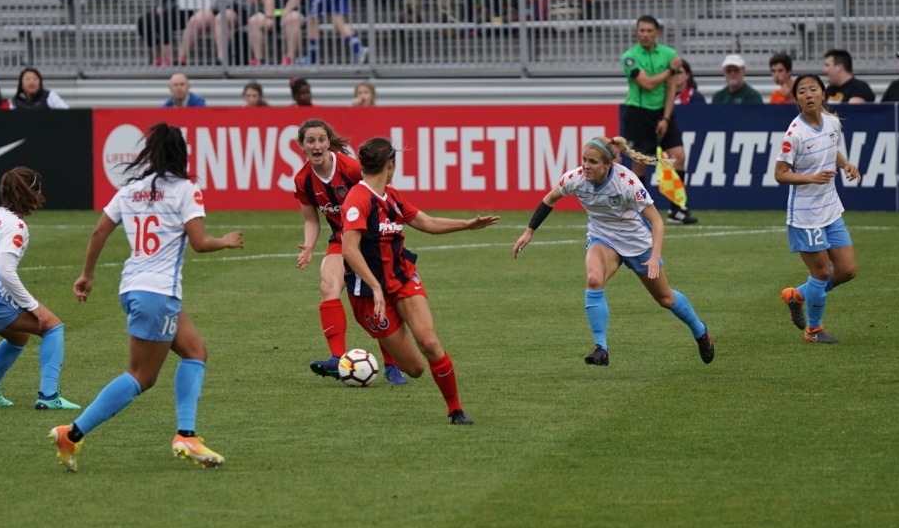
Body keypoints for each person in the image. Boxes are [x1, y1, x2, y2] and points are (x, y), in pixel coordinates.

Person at [52, 123, 244, 472]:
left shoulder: (130, 189)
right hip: (158, 292)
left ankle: (186, 434)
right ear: (181, 154)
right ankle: (72, 433)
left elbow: (99, 232)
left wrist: (88, 275)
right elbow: (199, 243)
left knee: (195, 351)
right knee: (141, 376)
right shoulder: (186, 189)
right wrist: (225, 240)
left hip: (133, 286)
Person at [512, 135, 714, 367]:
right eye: (584, 160)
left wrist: (655, 256)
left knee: (665, 298)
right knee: (594, 279)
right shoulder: (574, 178)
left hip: (638, 243)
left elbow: (657, 222)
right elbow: (549, 199)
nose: (586, 166)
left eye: (593, 162)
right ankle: (601, 349)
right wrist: (529, 232)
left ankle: (700, 330)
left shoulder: (626, 182)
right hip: (603, 239)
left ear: (609, 164)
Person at [341, 136, 499, 423]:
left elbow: (425, 222)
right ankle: (391, 333)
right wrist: (376, 287)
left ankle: (456, 410)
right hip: (368, 295)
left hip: (402, 278)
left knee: (429, 342)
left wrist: (467, 225)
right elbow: (349, 249)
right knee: (415, 368)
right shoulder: (358, 198)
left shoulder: (392, 196)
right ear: (391, 164)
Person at [0, 166, 80, 409]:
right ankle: (49, 397)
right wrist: (34, 307)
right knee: (52, 326)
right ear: (32, 194)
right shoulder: (16, 226)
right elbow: (5, 272)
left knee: (19, 337)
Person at [293, 119, 406, 383]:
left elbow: (380, 191)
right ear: (302, 147)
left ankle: (391, 364)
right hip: (341, 240)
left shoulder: (351, 167)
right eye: (311, 141)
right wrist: (309, 246)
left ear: (329, 141)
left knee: (374, 299)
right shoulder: (302, 180)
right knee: (328, 286)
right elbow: (311, 219)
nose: (317, 145)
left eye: (321, 139)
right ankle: (336, 358)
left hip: (371, 239)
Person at [775, 74, 861, 344]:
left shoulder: (833, 122)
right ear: (796, 98)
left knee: (847, 270)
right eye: (802, 91)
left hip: (831, 209)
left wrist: (846, 164)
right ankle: (813, 330)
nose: (809, 95)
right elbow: (780, 174)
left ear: (824, 94)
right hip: (806, 215)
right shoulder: (794, 134)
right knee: (822, 273)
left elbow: (831, 148)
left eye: (814, 89)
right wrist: (810, 178)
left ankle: (797, 295)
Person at [619, 15, 697, 224]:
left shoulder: (669, 54)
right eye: (641, 30)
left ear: (657, 33)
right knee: (640, 162)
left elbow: (671, 88)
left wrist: (666, 117)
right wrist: (670, 69)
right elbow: (647, 84)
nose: (644, 34)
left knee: (678, 156)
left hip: (662, 111)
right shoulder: (630, 57)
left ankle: (677, 209)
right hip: (638, 111)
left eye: (649, 30)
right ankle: (640, 210)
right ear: (636, 32)